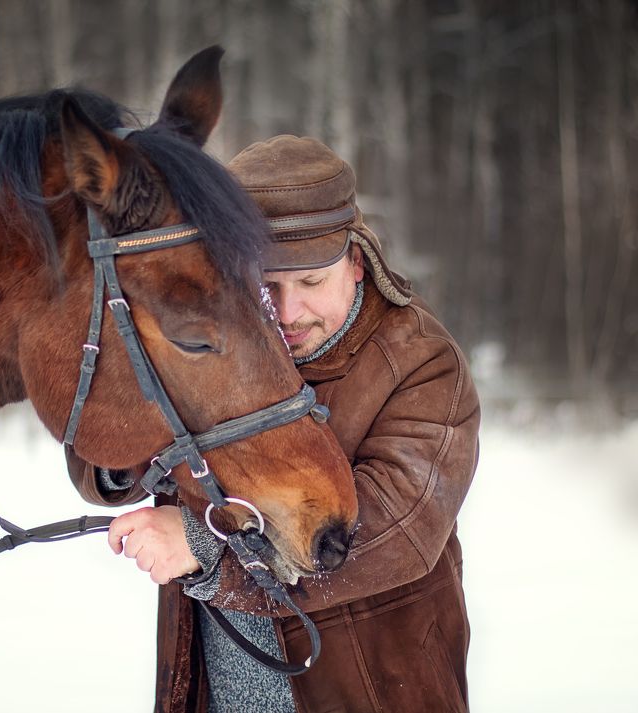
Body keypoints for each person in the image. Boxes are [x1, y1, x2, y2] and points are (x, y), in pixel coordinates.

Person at [65, 135, 480, 712]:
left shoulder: (422, 364)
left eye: (311, 282)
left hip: (372, 691)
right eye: (265, 285)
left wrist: (203, 545)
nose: (287, 313)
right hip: (221, 688)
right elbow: (101, 470)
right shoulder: (217, 350)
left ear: (356, 263)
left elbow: (392, 533)